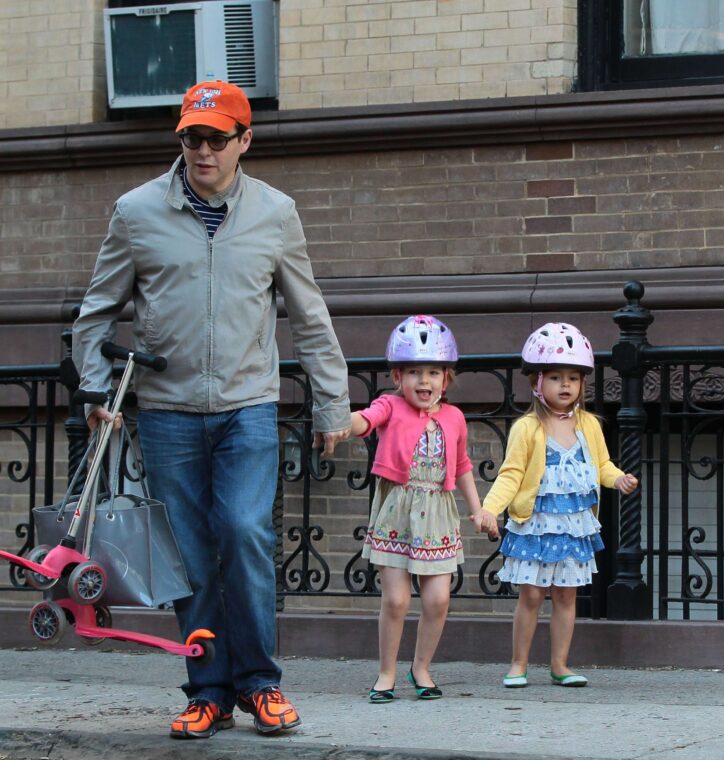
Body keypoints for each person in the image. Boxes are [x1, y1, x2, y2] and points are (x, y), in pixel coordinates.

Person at [72, 80, 351, 739]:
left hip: (248, 406)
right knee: (191, 555)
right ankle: (208, 689)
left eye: (216, 139)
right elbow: (95, 314)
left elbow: (309, 319)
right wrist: (94, 390)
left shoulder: (276, 214)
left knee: (245, 531)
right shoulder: (136, 212)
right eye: (191, 138)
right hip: (166, 411)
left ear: (244, 141)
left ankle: (260, 685)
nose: (202, 150)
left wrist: (329, 403)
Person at [349, 315, 499, 703]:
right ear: (398, 376)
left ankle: (421, 667)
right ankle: (386, 673)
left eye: (433, 372)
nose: (424, 381)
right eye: (414, 372)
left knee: (437, 599)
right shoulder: (390, 405)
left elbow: (462, 465)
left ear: (446, 379)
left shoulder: (454, 417)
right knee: (396, 599)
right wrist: (340, 421)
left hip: (437, 512)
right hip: (397, 510)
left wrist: (478, 509)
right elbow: (366, 421)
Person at [480, 322, 638, 688]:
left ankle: (561, 665)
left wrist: (618, 479)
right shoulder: (527, 428)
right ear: (537, 382)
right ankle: (518, 664)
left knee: (567, 595)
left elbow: (602, 465)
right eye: (554, 377)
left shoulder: (590, 425)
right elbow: (510, 475)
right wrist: (491, 508)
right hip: (536, 523)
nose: (565, 385)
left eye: (573, 377)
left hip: (573, 524)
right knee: (532, 594)